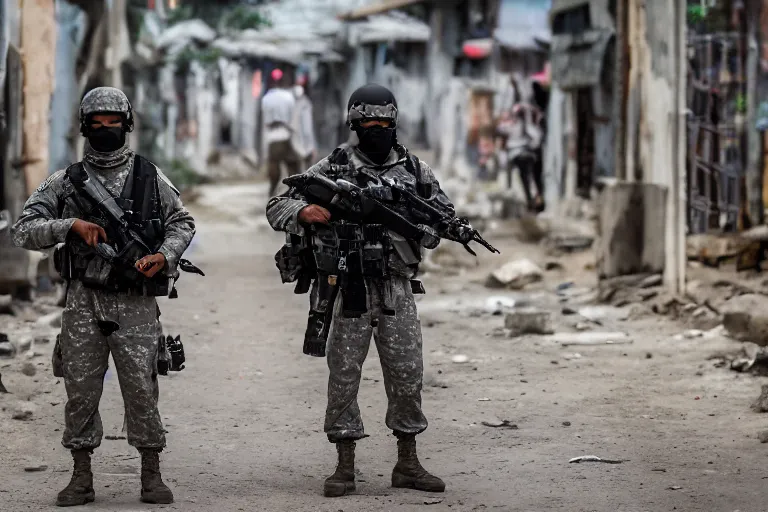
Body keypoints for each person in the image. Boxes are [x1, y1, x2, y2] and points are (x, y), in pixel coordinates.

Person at [10, 87, 196, 507]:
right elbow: (23, 230)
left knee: (141, 389)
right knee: (80, 388)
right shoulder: (66, 180)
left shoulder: (150, 176)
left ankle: (151, 473)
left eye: (114, 122)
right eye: (98, 123)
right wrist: (69, 226)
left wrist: (162, 256)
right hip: (83, 300)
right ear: (84, 127)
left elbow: (182, 222)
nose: (106, 129)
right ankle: (81, 475)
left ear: (126, 124)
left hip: (135, 301)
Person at [266, 83, 450, 497]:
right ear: (353, 123)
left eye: (385, 122)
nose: (377, 128)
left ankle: (408, 462)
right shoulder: (332, 167)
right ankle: (344, 465)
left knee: (407, 373)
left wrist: (432, 225)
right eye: (368, 121)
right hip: (347, 286)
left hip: (395, 287)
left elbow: (442, 216)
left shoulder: (416, 171)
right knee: (344, 375)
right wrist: (304, 211)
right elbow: (278, 205)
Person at [262, 68, 301, 196]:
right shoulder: (288, 97)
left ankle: (272, 189)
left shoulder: (266, 98)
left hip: (272, 137)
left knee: (274, 164)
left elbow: (265, 120)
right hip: (285, 134)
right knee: (292, 164)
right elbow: (292, 118)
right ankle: (293, 190)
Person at [290, 76, 318, 170]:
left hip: (294, 140)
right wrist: (311, 146)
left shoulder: (291, 101)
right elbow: (307, 128)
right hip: (303, 143)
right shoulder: (305, 103)